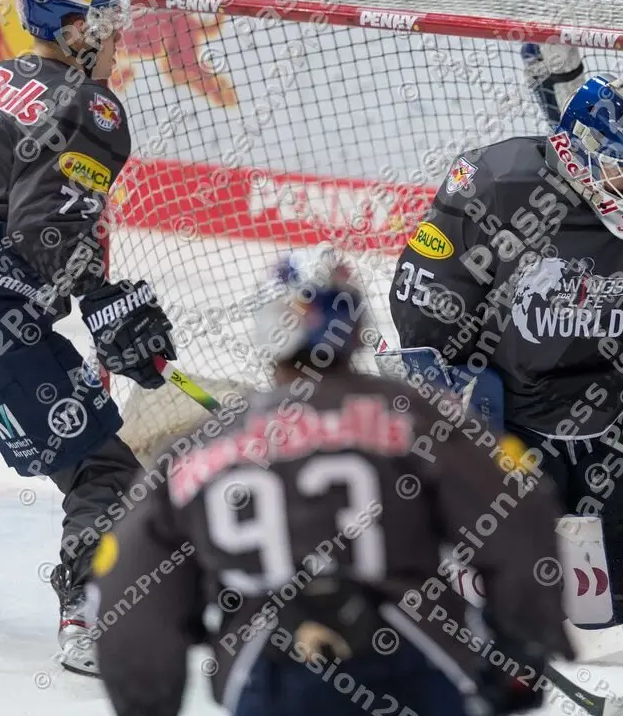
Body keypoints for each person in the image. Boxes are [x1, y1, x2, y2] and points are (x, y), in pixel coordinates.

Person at [91, 250, 573, 716]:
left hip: (268, 671)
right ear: (354, 328)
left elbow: (131, 587)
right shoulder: (418, 417)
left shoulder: (196, 450)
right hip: (413, 658)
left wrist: (146, 702)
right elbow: (520, 520)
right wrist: (521, 651)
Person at [384, 43, 623, 626]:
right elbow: (429, 289)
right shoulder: (498, 184)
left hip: (610, 406)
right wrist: (453, 384)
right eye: (620, 170)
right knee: (519, 511)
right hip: (511, 411)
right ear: (572, 154)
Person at [0, 0, 176, 675]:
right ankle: (93, 618)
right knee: (105, 473)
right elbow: (45, 233)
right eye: (106, 21)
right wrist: (106, 303)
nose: (118, 35)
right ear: (74, 27)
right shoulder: (88, 105)